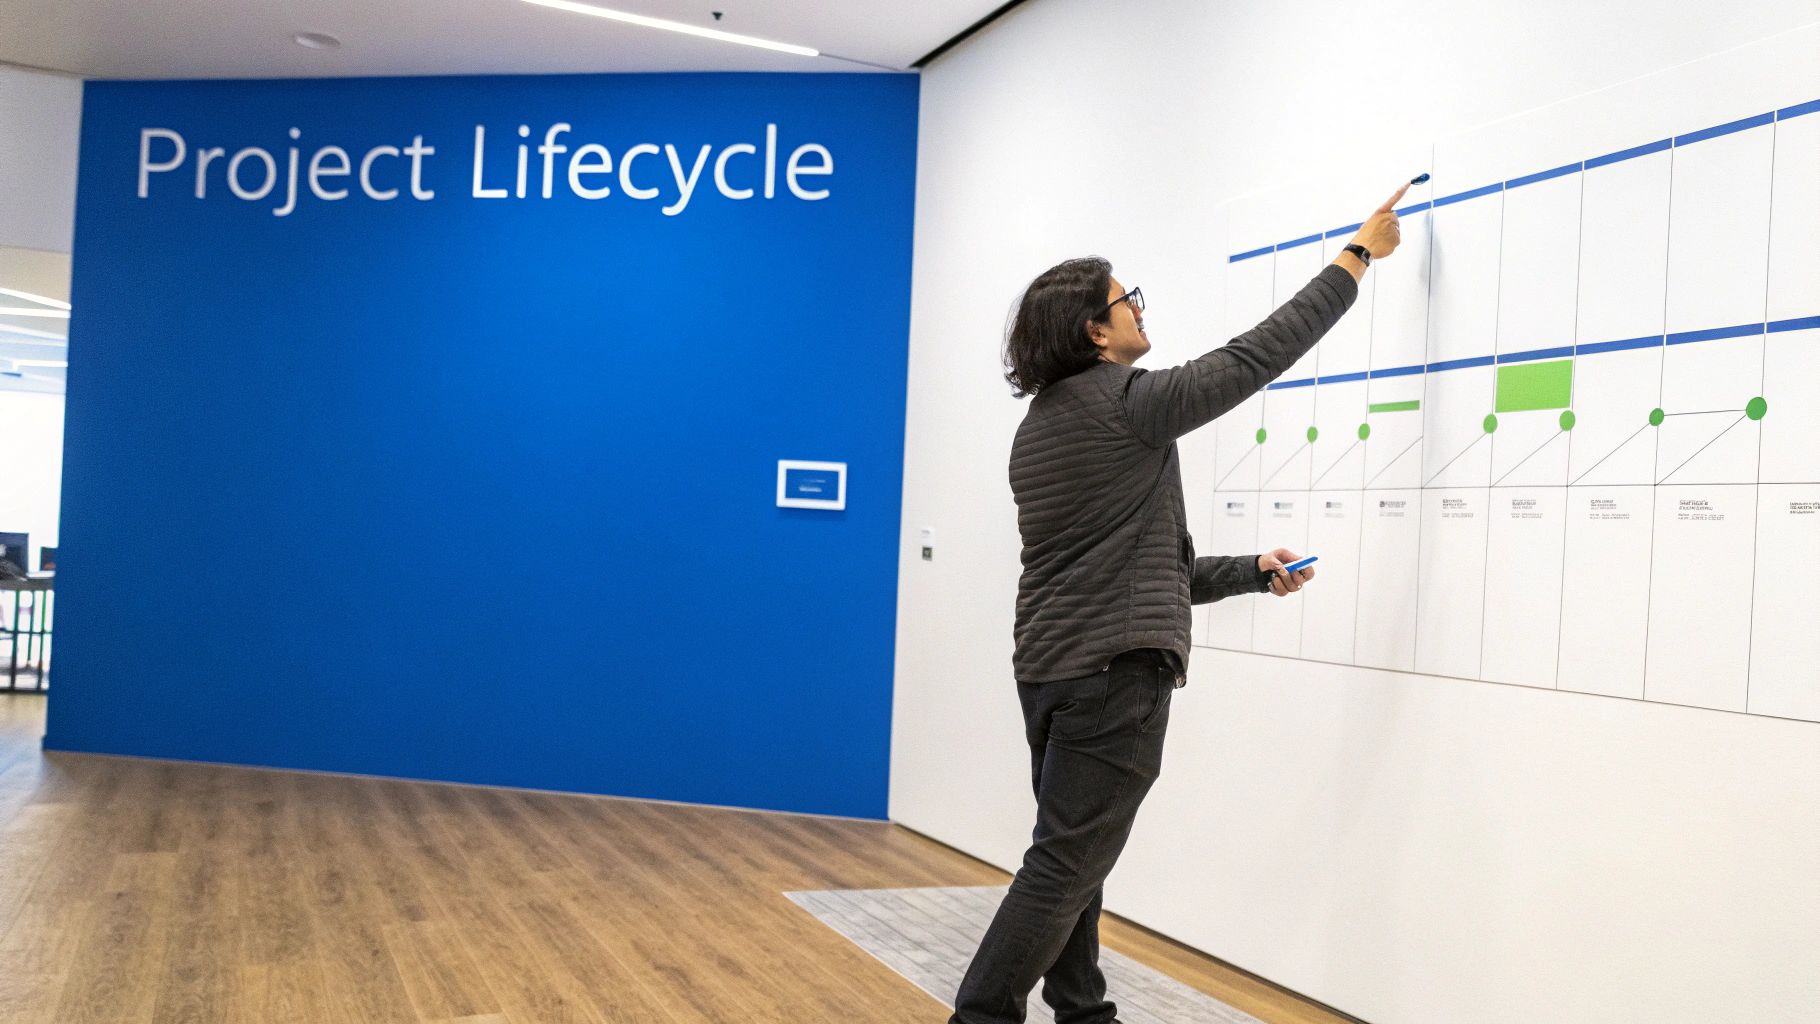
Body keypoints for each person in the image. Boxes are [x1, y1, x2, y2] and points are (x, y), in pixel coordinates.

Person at [948, 182, 1411, 1024]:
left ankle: (1083, 1011)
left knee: (1074, 855)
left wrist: (1247, 571)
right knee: (1064, 863)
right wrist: (1355, 258)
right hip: (1112, 676)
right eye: (1129, 300)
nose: (1137, 311)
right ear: (1096, 329)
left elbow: (1133, 567)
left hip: (1051, 674)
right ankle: (979, 1015)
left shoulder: (1040, 427)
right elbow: (1249, 359)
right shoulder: (1127, 404)